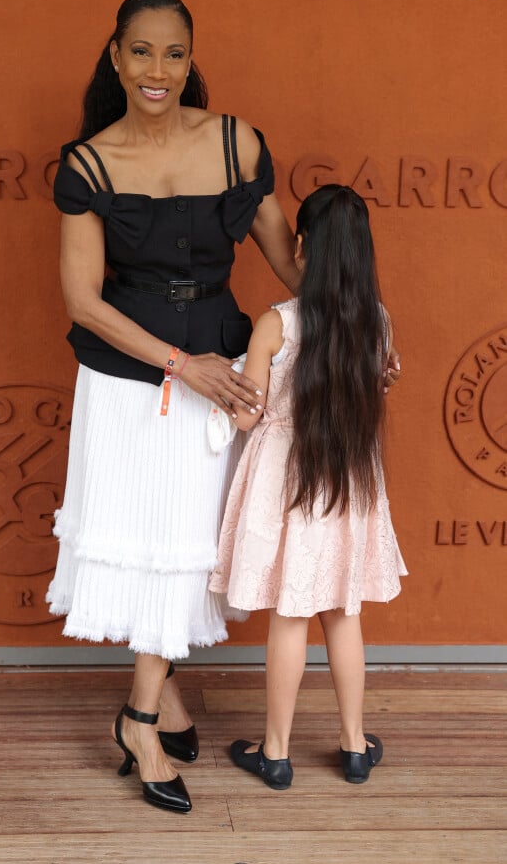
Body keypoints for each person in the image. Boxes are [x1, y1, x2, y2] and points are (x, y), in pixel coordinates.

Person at [45, 0, 302, 814]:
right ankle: (142, 719)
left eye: (174, 54)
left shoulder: (236, 142)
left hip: (220, 369)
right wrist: (177, 365)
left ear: (191, 62)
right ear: (115, 55)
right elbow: (83, 301)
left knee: (189, 543)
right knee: (156, 540)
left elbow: (291, 261)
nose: (158, 69)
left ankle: (161, 703)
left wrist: (356, 321)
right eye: (142, 51)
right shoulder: (87, 162)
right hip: (131, 382)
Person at [209, 184, 407, 788]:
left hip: (287, 479)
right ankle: (352, 746)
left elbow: (247, 414)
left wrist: (219, 393)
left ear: (302, 245)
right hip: (346, 477)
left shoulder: (277, 323)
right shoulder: (376, 320)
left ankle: (275, 752)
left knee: (290, 617)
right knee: (341, 614)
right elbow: (377, 387)